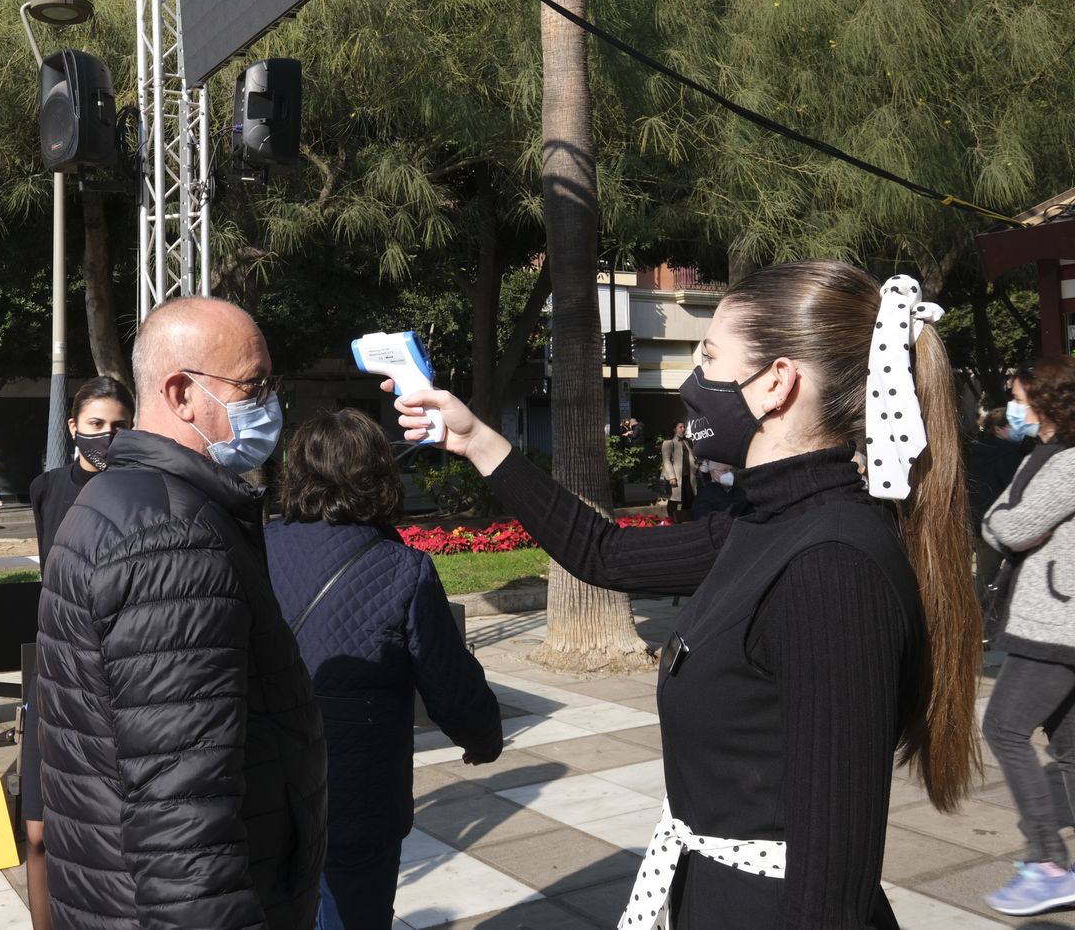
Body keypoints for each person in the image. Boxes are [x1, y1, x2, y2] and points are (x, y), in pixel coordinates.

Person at [392, 261, 979, 929]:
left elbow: (831, 897)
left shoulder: (832, 567)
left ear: (776, 383)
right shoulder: (763, 522)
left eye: (708, 357)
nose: (691, 385)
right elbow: (602, 552)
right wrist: (476, 440)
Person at [36, 297, 326, 930]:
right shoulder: (171, 538)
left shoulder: (126, 501)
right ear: (182, 394)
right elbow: (182, 810)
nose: (269, 402)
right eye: (254, 385)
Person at [265, 408, 503, 930]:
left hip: (267, 787)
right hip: (360, 794)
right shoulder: (403, 568)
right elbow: (449, 680)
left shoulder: (257, 549)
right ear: (378, 476)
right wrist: (482, 738)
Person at [22, 375, 135, 930]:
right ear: (72, 427)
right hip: (53, 668)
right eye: (95, 425)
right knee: (38, 831)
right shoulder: (46, 489)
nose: (106, 436)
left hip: (116, 671)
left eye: (118, 426)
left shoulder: (140, 492)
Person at [979, 356, 1075, 916]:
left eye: (1017, 395)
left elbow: (1010, 527)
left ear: (1044, 401)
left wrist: (1000, 524)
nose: (1011, 404)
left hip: (1055, 623)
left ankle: (1048, 863)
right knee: (1067, 748)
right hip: (1054, 617)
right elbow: (1009, 521)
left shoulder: (1065, 462)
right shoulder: (1044, 454)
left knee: (1004, 728)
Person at [968, 406, 1031, 604]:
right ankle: (980, 618)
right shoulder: (1009, 455)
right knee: (992, 574)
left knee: (984, 574)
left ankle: (974, 613)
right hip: (1000, 523)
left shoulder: (978, 451)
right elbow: (1016, 491)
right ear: (998, 429)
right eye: (1014, 425)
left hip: (978, 519)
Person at [660, 420, 697, 522]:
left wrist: (695, 466)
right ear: (674, 429)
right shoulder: (669, 442)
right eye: (680, 427)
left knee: (689, 498)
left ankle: (685, 519)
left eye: (684, 427)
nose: (683, 429)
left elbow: (691, 457)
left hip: (688, 475)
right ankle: (672, 521)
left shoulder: (687, 441)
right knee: (674, 500)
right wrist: (672, 476)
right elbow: (666, 460)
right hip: (675, 476)